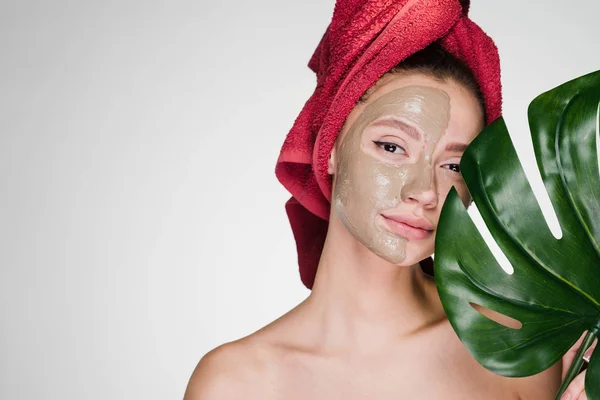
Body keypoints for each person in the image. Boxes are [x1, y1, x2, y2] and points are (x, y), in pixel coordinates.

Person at [185, 1, 595, 399]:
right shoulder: (235, 384)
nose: (424, 192)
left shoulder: (522, 347)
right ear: (329, 145)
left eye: (453, 166)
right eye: (392, 147)